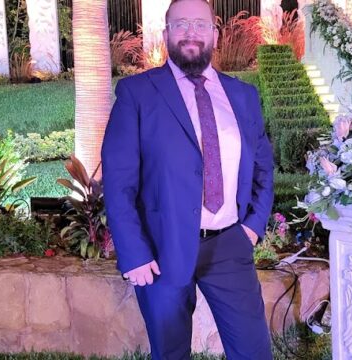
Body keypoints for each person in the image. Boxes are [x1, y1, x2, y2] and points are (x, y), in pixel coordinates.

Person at [101, 0, 274, 359]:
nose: (191, 32)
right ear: (166, 35)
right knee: (170, 351)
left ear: (215, 33)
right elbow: (118, 181)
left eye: (200, 24)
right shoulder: (137, 94)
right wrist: (133, 252)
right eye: (180, 25)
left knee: (254, 351)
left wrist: (253, 226)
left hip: (230, 244)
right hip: (161, 247)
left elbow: (262, 167)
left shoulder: (243, 96)